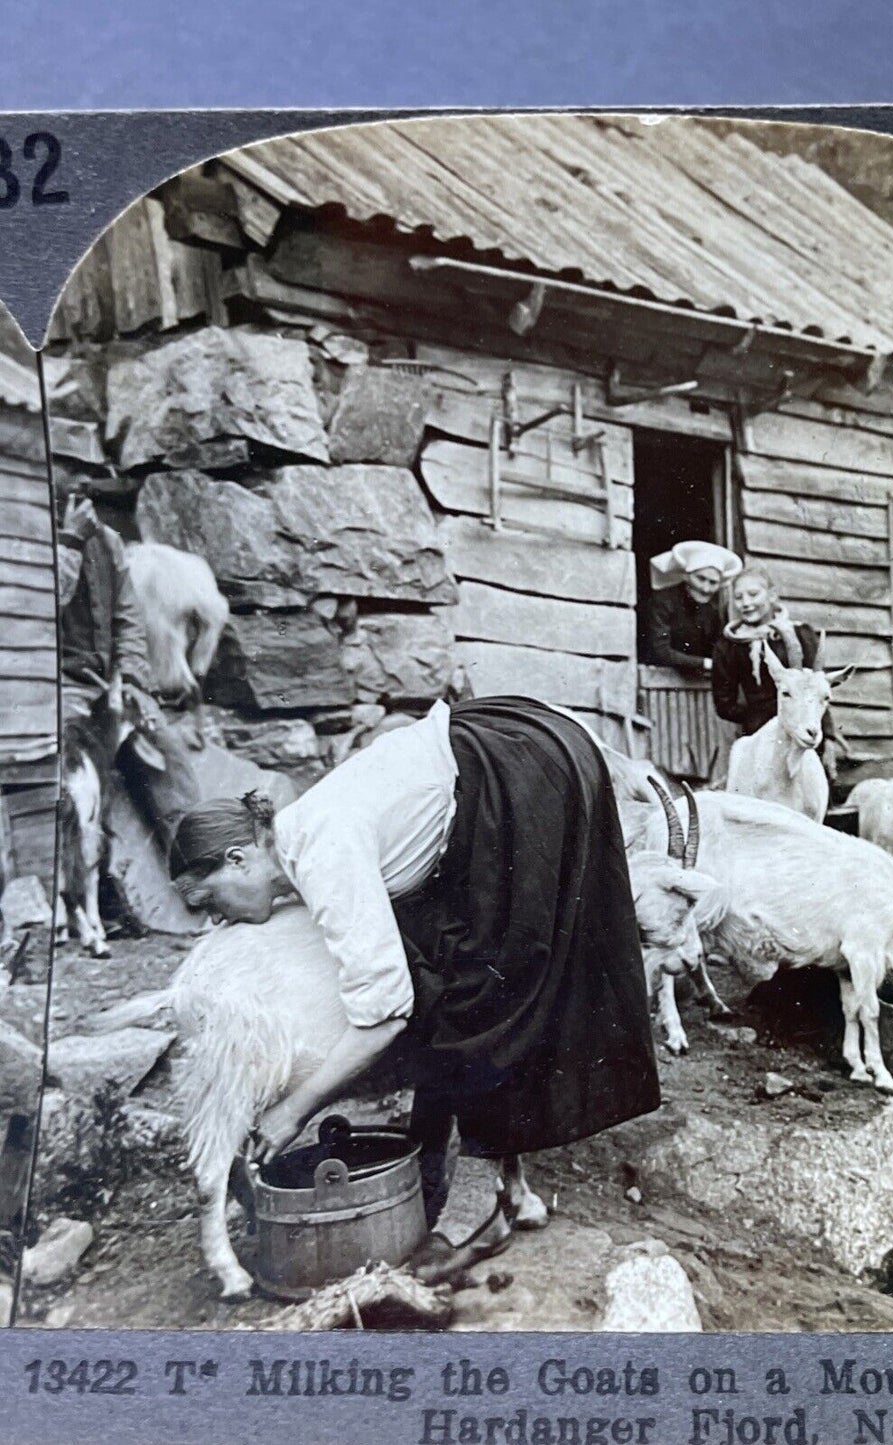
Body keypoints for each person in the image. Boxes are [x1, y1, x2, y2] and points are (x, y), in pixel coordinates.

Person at [166, 695, 660, 1272]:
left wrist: (294, 1110)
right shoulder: (300, 836)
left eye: (208, 902)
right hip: (500, 745)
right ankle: (439, 1174)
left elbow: (384, 1015)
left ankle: (480, 1212)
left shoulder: (323, 849)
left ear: (238, 858)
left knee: (490, 992)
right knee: (445, 969)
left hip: (521, 769)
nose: (215, 920)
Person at [56, 490, 199, 841]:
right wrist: (69, 542)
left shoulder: (106, 541)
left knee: (169, 758)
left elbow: (127, 619)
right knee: (75, 784)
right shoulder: (22, 539)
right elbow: (36, 609)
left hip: (107, 690)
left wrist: (133, 680)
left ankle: (199, 867)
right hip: (53, 694)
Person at [710, 565, 847, 773]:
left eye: (753, 594)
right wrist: (760, 717)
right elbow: (724, 703)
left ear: (772, 595)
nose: (746, 603)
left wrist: (827, 737)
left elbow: (817, 689)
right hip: (759, 736)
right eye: (738, 597)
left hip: (804, 734)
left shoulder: (800, 634)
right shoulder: (728, 645)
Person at [643, 539, 742, 673]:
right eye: (700, 579)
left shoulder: (712, 610)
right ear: (686, 576)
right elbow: (660, 651)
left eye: (713, 583)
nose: (706, 588)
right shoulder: (663, 601)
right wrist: (705, 663)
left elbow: (719, 650)